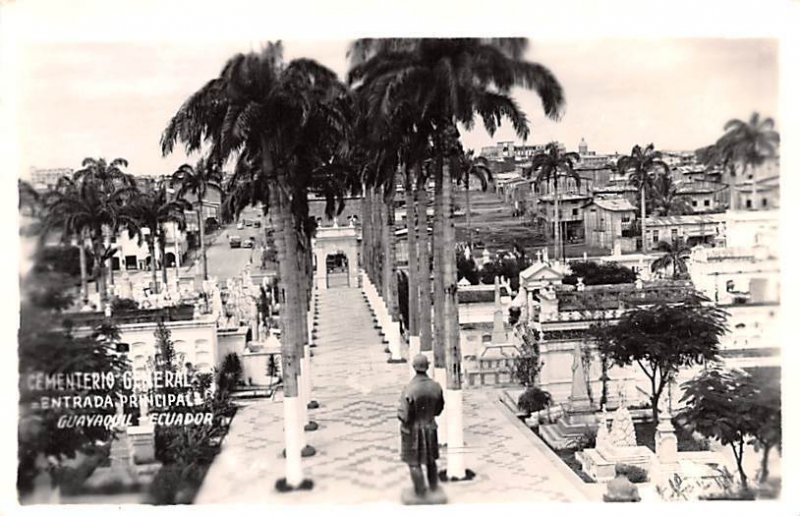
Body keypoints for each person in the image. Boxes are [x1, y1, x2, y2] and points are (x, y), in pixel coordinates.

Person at [398, 354, 445, 499]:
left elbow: (404, 415)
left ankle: (420, 492)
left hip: (412, 431)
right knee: (431, 461)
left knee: (414, 463)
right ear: (427, 366)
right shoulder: (436, 387)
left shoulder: (409, 389)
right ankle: (434, 488)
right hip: (430, 427)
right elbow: (439, 409)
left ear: (414, 367)